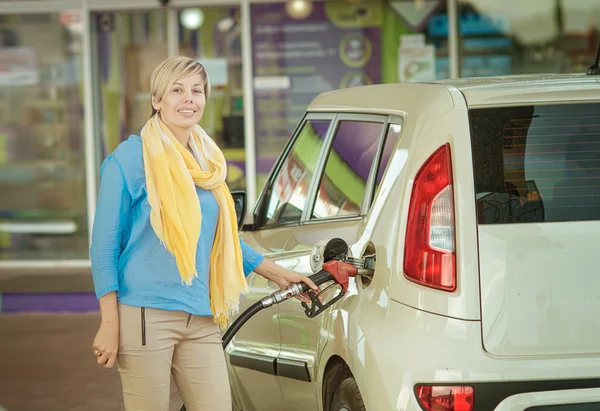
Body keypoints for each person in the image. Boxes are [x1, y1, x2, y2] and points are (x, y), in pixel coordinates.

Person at [89, 56, 318, 411]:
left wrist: (279, 275)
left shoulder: (206, 161)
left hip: (202, 313)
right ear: (157, 100)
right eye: (177, 90)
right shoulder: (130, 158)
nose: (188, 99)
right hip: (147, 314)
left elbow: (219, 238)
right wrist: (109, 323)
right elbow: (103, 246)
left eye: (197, 91)